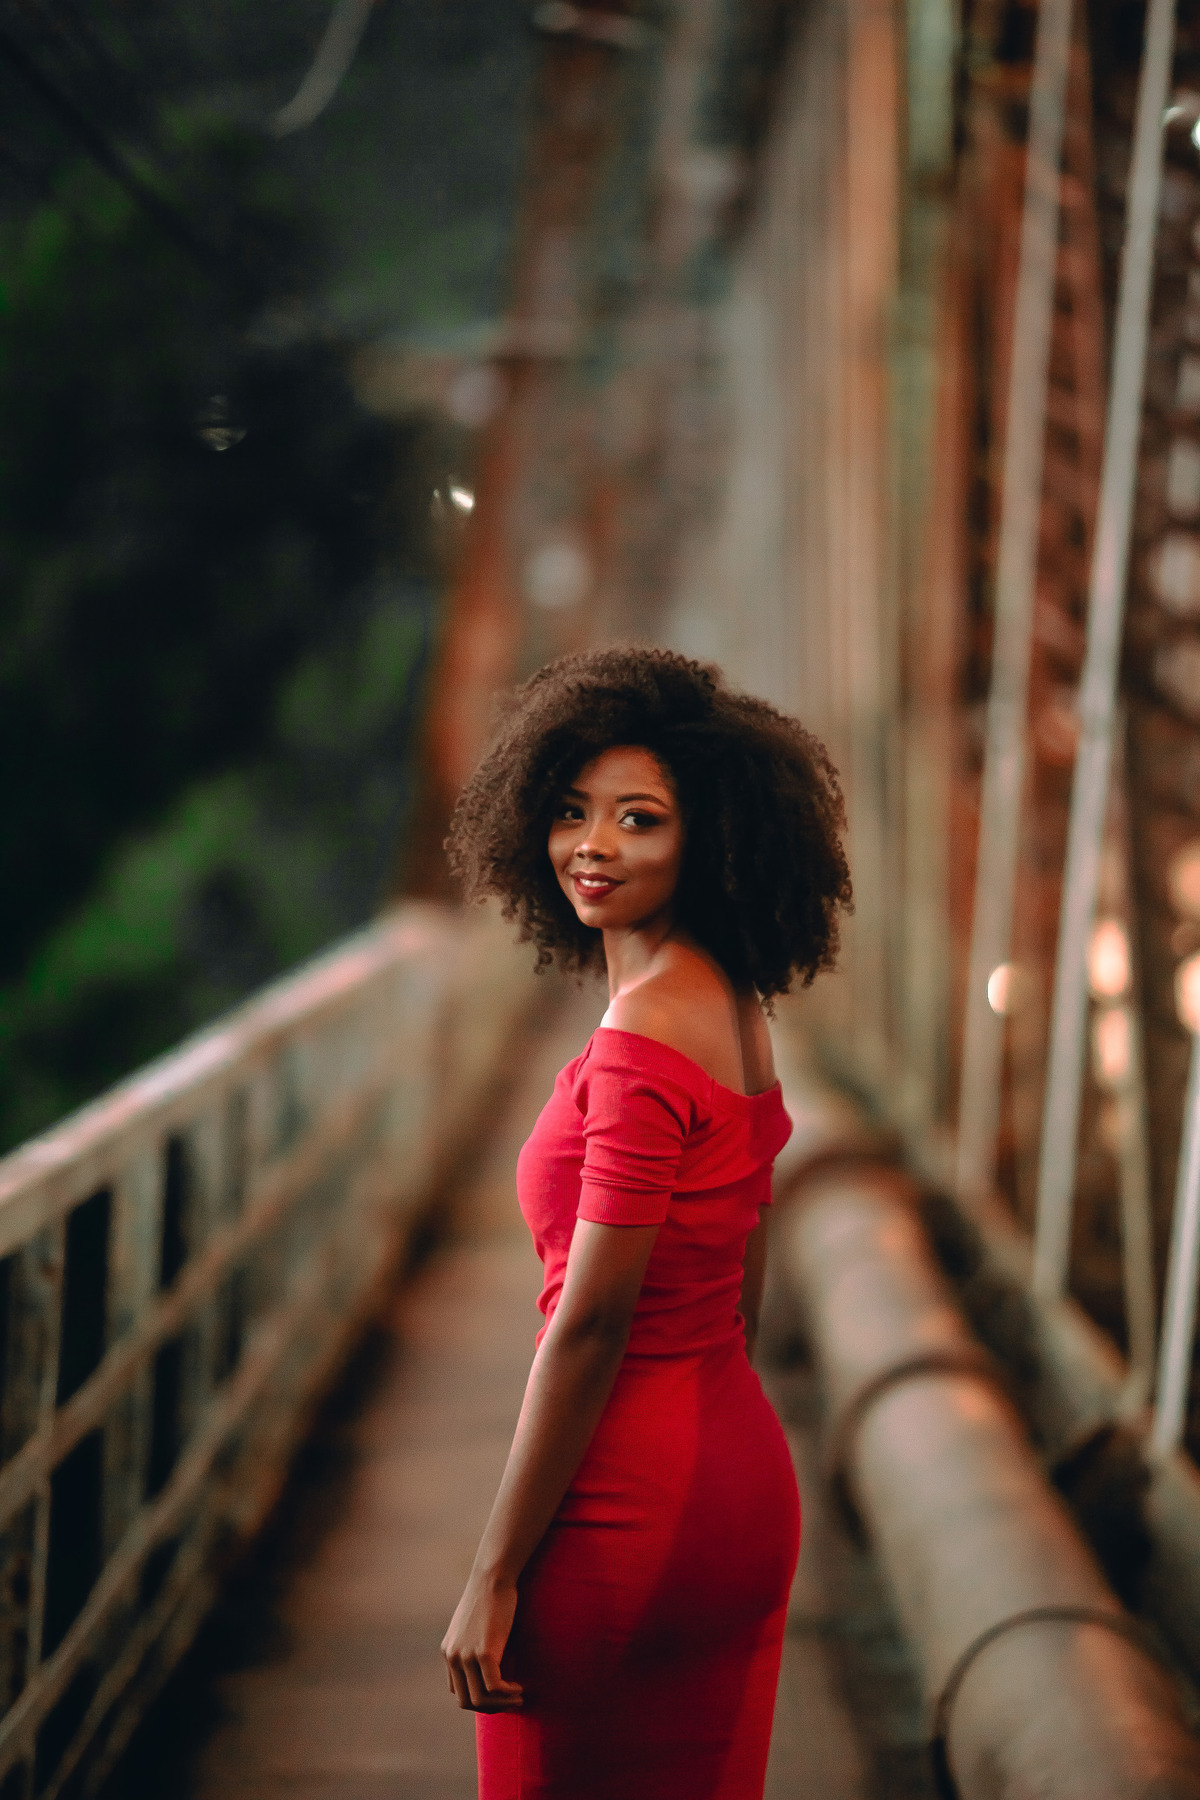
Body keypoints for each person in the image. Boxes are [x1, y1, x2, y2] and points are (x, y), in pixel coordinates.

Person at [440, 646, 852, 1800]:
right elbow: (745, 1277)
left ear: (707, 837)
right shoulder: (733, 1002)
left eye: (639, 820)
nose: (593, 846)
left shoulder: (637, 1047)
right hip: (740, 1481)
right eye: (572, 813)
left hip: (625, 1508)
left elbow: (591, 1323)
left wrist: (493, 1569)